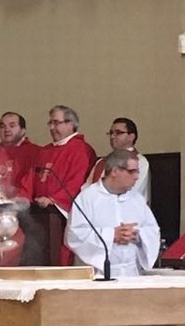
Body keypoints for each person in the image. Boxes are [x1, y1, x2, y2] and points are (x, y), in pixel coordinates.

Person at [66, 149, 161, 279]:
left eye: (137, 171)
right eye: (132, 171)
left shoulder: (137, 199)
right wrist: (112, 235)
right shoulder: (87, 198)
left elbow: (152, 230)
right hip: (99, 275)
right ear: (115, 171)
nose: (137, 176)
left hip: (132, 274)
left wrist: (136, 234)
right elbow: (75, 235)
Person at [31, 105, 97, 265]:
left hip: (61, 217)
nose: (52, 127)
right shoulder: (44, 151)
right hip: (40, 215)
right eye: (50, 123)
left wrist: (54, 200)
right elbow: (31, 179)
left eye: (56, 123)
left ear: (71, 124)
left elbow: (78, 182)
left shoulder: (81, 150)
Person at [86, 117, 151, 196]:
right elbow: (86, 188)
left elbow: (132, 191)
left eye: (118, 133)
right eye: (111, 133)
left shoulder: (140, 162)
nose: (112, 136)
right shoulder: (101, 162)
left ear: (131, 137)